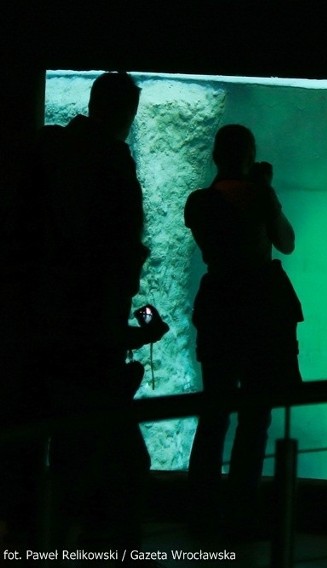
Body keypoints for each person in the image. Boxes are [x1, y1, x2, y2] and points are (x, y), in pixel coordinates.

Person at [1, 71, 168, 551]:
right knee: (107, 452)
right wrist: (125, 328)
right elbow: (111, 255)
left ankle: (35, 541)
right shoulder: (111, 162)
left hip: (34, 329)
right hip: (89, 336)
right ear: (124, 113)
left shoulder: (48, 151)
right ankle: (103, 546)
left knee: (39, 441)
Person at [185, 124, 303, 539]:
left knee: (214, 412)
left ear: (216, 157)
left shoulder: (198, 203)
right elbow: (286, 242)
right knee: (255, 415)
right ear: (251, 156)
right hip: (259, 314)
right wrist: (266, 191)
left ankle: (200, 509)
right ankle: (240, 511)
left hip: (218, 310)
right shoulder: (258, 196)